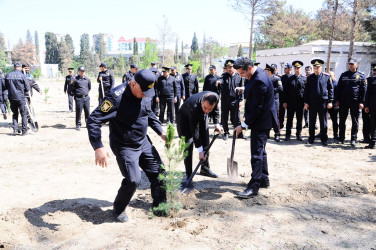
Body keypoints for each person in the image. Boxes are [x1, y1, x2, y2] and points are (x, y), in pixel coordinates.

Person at [87, 69, 167, 222]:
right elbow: (93, 120)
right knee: (133, 180)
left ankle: (160, 205)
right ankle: (118, 209)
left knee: (159, 172)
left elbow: (149, 113)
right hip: (124, 145)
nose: (145, 95)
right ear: (133, 83)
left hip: (143, 141)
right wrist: (98, 146)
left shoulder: (145, 92)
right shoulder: (116, 97)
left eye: (147, 92)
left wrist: (160, 131)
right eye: (143, 91)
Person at [233, 57, 278, 198]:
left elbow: (257, 108)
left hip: (262, 121)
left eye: (241, 73)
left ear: (249, 68)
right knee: (261, 152)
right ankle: (264, 179)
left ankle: (254, 187)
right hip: (261, 119)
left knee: (256, 154)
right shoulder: (255, 76)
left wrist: (244, 125)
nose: (240, 75)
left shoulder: (260, 80)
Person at [176, 91, 221, 187]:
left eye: (210, 109)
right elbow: (195, 131)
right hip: (184, 120)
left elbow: (216, 111)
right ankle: (188, 175)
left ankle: (205, 168)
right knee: (188, 144)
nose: (207, 111)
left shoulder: (215, 98)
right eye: (205, 108)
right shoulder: (194, 106)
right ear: (201, 101)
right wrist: (200, 151)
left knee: (205, 141)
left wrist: (216, 123)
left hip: (200, 118)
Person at [336, 58, 366, 148]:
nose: (350, 65)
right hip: (343, 101)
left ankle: (353, 139)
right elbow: (338, 88)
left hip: (355, 102)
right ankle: (341, 138)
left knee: (355, 121)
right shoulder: (344, 75)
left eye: (352, 64)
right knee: (342, 120)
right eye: (349, 64)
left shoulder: (361, 76)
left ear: (356, 64)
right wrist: (337, 100)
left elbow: (363, 90)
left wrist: (362, 102)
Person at [304, 59, 333, 146]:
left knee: (323, 121)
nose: (316, 69)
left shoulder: (327, 77)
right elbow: (306, 91)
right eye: (315, 67)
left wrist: (330, 101)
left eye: (318, 67)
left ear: (321, 67)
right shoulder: (309, 78)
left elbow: (330, 90)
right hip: (312, 103)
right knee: (312, 121)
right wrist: (306, 102)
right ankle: (311, 138)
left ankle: (324, 139)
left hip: (322, 102)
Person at [283, 61, 306, 141]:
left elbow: (306, 92)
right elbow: (285, 91)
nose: (296, 69)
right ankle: (287, 135)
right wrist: (285, 101)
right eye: (295, 68)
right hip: (291, 102)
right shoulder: (290, 79)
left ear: (301, 69)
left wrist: (306, 102)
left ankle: (298, 134)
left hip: (300, 103)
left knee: (299, 119)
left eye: (298, 68)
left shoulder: (304, 79)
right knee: (289, 119)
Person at [220, 59, 243, 140]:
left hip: (235, 100)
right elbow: (220, 81)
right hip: (225, 100)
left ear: (234, 68)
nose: (229, 69)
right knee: (224, 117)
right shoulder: (224, 76)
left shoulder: (239, 76)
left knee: (236, 117)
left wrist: (240, 100)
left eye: (231, 67)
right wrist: (218, 82)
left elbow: (242, 90)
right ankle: (226, 132)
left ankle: (238, 133)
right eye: (228, 67)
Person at [4, 63, 30, 135]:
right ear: (21, 68)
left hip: (11, 97)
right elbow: (27, 88)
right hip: (20, 97)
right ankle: (24, 130)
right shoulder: (22, 76)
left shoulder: (8, 75)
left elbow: (5, 87)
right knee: (23, 114)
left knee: (15, 113)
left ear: (14, 67)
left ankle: (15, 129)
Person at [264, 64, 282, 142]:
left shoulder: (277, 79)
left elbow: (280, 88)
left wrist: (270, 90)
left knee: (275, 119)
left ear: (269, 72)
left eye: (266, 71)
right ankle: (267, 133)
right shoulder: (264, 79)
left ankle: (277, 134)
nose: (265, 72)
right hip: (266, 102)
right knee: (267, 118)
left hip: (275, 101)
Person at [72, 66, 91, 131]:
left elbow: (89, 88)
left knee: (87, 112)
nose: (82, 72)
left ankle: (88, 124)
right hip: (79, 98)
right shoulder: (75, 79)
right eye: (81, 71)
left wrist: (85, 93)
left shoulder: (87, 79)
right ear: (78, 71)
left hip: (86, 98)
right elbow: (72, 89)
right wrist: (77, 95)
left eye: (83, 71)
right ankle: (78, 125)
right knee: (78, 112)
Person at [364, 66, 376, 149]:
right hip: (373, 106)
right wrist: (366, 105)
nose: (375, 72)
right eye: (374, 70)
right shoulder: (371, 80)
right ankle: (373, 142)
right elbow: (367, 94)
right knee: (373, 124)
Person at [279, 63, 293, 129]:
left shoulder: (293, 77)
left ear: (290, 69)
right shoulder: (282, 77)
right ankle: (281, 125)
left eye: (286, 68)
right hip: (282, 97)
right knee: (281, 113)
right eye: (284, 68)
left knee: (290, 114)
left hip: (291, 98)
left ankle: (290, 125)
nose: (284, 69)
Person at [328, 71, 339, 140]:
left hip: (334, 105)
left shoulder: (336, 84)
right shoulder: (327, 82)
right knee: (323, 120)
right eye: (328, 75)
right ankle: (322, 133)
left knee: (334, 121)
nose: (329, 77)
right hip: (326, 104)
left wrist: (336, 102)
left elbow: (338, 95)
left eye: (331, 75)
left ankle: (335, 134)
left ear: (334, 76)